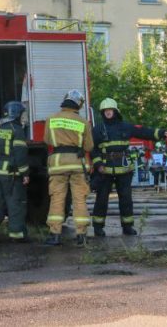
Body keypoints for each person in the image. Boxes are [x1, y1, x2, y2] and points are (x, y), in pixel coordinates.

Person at [91, 98, 167, 237]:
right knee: (101, 199)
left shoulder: (125, 126)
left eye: (110, 110)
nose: (108, 113)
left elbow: (143, 132)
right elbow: (93, 149)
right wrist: (98, 164)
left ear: (115, 111)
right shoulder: (97, 129)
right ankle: (98, 227)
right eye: (105, 111)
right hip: (105, 171)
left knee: (126, 199)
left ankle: (127, 227)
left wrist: (161, 133)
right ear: (102, 113)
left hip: (124, 170)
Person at [44, 90, 94, 247]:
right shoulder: (83, 122)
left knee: (57, 198)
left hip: (57, 163)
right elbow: (89, 146)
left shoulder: (51, 119)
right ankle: (81, 235)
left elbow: (47, 140)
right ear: (78, 104)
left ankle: (54, 235)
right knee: (79, 199)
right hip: (77, 163)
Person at [0, 102, 29, 243]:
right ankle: (17, 235)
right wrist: (25, 173)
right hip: (11, 174)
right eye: (21, 114)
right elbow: (20, 154)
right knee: (16, 204)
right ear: (15, 113)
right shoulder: (17, 130)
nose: (22, 117)